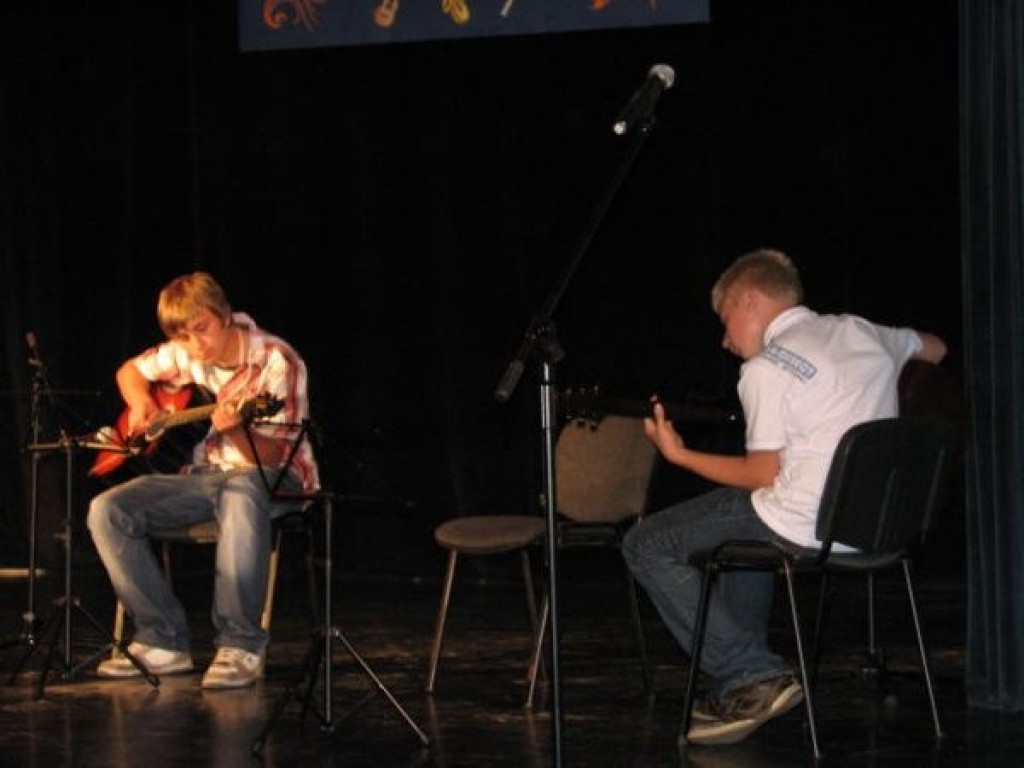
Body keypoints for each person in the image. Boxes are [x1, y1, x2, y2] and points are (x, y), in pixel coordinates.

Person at [622, 248, 947, 746]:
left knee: (646, 543)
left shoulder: (766, 368)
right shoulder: (863, 332)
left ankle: (751, 673)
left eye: (726, 321)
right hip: (875, 527)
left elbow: (759, 475)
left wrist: (679, 455)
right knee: (741, 533)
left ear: (749, 300)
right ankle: (744, 688)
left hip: (804, 523)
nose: (725, 340)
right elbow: (936, 348)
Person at [87, 271, 319, 689]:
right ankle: (162, 640)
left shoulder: (275, 360)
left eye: (202, 329)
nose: (196, 345)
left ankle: (241, 644)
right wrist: (140, 404)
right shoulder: (187, 352)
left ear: (225, 316)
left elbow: (276, 456)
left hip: (275, 477)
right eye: (183, 337)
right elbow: (129, 371)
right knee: (108, 509)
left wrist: (236, 432)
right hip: (209, 475)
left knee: (241, 488)